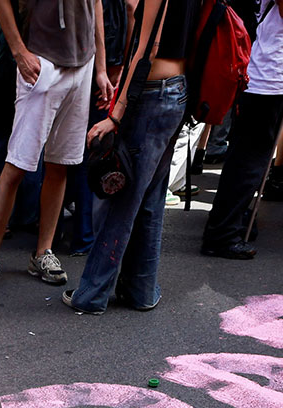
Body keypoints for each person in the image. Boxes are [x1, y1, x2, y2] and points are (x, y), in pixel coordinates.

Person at [0, 0, 108, 293]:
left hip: (81, 63)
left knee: (60, 163)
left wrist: (100, 67)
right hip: (42, 62)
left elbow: (96, 6)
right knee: (17, 162)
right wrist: (18, 52)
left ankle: (43, 252)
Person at [65, 0, 198, 313]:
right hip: (176, 91)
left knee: (123, 200)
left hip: (152, 93)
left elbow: (146, 49)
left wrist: (116, 114)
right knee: (150, 198)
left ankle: (92, 294)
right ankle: (140, 289)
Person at [199, 0, 283, 257]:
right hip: (267, 69)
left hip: (265, 64)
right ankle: (222, 232)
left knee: (247, 157)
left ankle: (230, 223)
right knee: (249, 160)